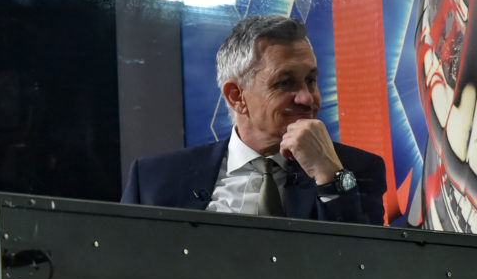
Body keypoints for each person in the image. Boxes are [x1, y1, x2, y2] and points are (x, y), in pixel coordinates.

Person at [121, 15, 386, 225]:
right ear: (237, 96)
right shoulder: (154, 180)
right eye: (285, 83)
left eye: (310, 80)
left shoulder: (356, 170)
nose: (307, 98)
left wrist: (329, 176)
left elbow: (367, 273)